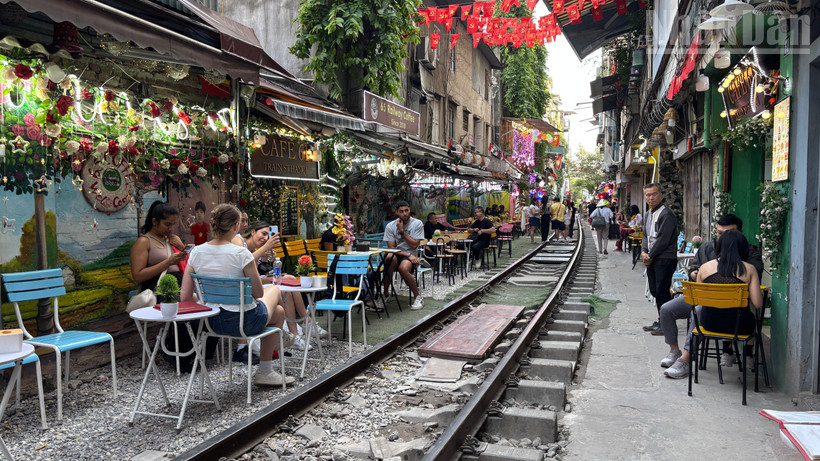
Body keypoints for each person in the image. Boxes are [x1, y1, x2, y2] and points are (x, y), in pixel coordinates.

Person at [181, 204, 296, 387]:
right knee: (274, 290)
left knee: (279, 313)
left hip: (211, 323)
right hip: (245, 322)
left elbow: (185, 297)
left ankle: (271, 359)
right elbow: (258, 294)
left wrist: (209, 298)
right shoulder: (241, 253)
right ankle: (265, 370)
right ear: (236, 226)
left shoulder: (196, 252)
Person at [657, 215, 763, 367]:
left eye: (727, 234)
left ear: (740, 233)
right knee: (668, 309)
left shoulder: (749, 255)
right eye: (719, 233)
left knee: (699, 310)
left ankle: (686, 359)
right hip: (709, 303)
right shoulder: (707, 249)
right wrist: (695, 273)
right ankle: (675, 351)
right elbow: (693, 272)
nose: (722, 238)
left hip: (721, 309)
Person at [233, 222, 324, 352]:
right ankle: (305, 325)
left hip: (255, 281)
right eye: (263, 234)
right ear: (253, 231)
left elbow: (256, 269)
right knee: (282, 289)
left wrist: (265, 258)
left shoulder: (255, 248)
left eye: (267, 235)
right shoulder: (239, 241)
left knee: (288, 281)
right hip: (246, 286)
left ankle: (300, 331)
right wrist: (265, 249)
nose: (265, 238)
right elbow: (244, 263)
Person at [640, 183, 678, 336]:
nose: (651, 197)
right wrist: (643, 252)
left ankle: (667, 324)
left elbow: (663, 239)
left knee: (662, 291)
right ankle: (662, 319)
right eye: (648, 195)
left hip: (664, 258)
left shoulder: (666, 214)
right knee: (655, 290)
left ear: (661, 195)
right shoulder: (649, 214)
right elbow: (645, 235)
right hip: (652, 258)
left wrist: (650, 255)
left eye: (654, 194)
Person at [130, 200, 187, 292]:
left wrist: (181, 247)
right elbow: (137, 276)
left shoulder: (172, 240)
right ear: (155, 221)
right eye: (167, 224)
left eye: (173, 224)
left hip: (179, 285)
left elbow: (189, 265)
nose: (171, 229)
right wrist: (168, 262)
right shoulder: (144, 242)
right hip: (158, 289)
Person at [383, 201, 425, 310]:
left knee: (403, 268)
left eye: (406, 210)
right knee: (388, 258)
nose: (405, 213)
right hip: (398, 254)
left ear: (409, 210)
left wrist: (402, 232)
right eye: (401, 211)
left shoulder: (417, 223)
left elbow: (415, 245)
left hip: (411, 255)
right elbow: (391, 248)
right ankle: (385, 295)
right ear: (397, 212)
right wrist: (406, 254)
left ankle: (418, 297)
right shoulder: (390, 226)